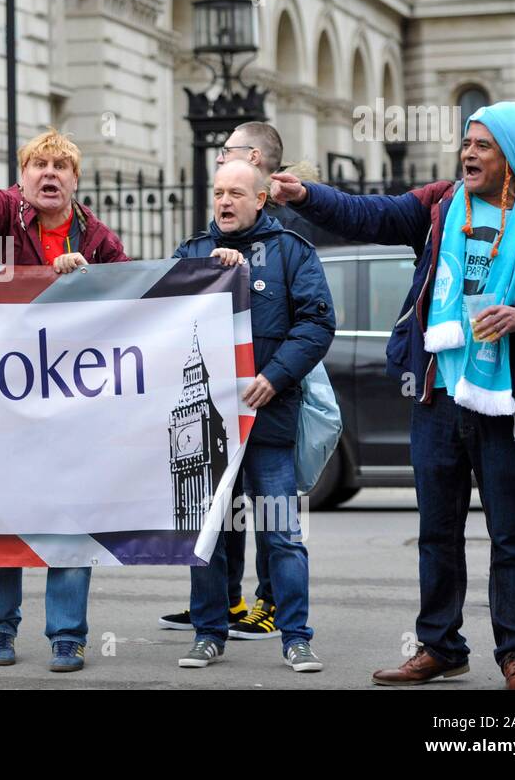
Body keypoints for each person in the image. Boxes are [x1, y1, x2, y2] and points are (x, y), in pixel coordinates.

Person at [272, 101, 515, 690]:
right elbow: (368, 214)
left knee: (510, 533)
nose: (468, 154)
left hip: (505, 401)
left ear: (509, 156)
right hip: (436, 394)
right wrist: (306, 196)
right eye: (466, 143)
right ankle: (440, 646)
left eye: (483, 145)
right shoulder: (437, 206)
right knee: (438, 529)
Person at [0, 113, 128, 672]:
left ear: (76, 180)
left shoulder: (99, 239)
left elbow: (132, 310)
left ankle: (67, 637)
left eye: (61, 167)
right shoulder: (1, 215)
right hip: (1, 399)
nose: (49, 174)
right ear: (22, 178)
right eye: (39, 165)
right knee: (4, 518)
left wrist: (89, 281)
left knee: (69, 522)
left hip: (73, 406)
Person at [173, 163, 335, 673]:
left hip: (269, 421)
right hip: (209, 426)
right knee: (209, 533)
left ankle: (296, 638)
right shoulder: (193, 253)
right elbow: (163, 319)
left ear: (261, 198)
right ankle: (208, 633)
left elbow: (317, 322)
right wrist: (213, 277)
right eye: (218, 192)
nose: (224, 201)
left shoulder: (292, 252)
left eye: (236, 193)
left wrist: (277, 376)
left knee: (281, 534)